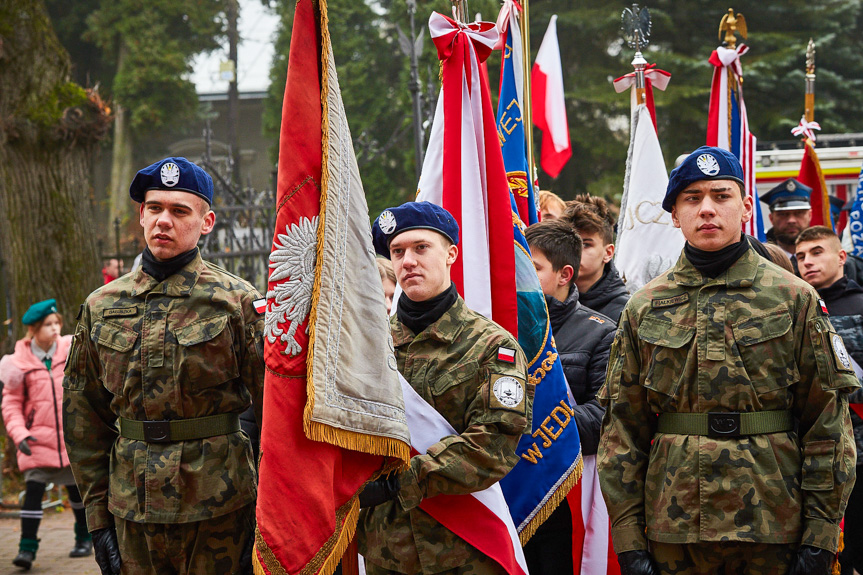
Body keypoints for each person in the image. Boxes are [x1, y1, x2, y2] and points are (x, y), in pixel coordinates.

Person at [598, 146, 859, 575]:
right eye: (692, 198)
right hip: (673, 527)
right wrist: (628, 539)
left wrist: (820, 537)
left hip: (775, 524)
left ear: (745, 208)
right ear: (673, 214)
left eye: (721, 196)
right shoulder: (644, 307)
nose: (707, 209)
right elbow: (621, 430)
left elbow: (828, 424)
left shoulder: (794, 298)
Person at [63, 157, 265, 575]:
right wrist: (96, 520)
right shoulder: (101, 307)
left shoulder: (237, 302)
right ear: (141, 215)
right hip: (132, 511)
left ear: (206, 222)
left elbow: (274, 415)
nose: (163, 221)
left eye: (179, 211)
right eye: (154, 208)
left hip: (220, 508)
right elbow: (84, 417)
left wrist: (267, 518)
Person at [358, 201, 532, 575]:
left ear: (451, 253)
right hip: (384, 549)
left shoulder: (490, 346)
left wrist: (399, 482)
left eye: (421, 248)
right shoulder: (370, 344)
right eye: (398, 251)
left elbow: (494, 445)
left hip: (462, 547)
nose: (408, 261)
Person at [522, 219, 615, 574]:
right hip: (506, 488)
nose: (522, 277)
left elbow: (606, 415)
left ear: (564, 275)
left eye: (533, 268)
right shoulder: (495, 328)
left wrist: (532, 421)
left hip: (565, 497)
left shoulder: (602, 334)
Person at [0, 300, 92, 570]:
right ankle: (27, 548)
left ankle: (83, 539)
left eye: (57, 324)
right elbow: (11, 404)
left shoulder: (70, 350)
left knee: (77, 492)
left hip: (70, 437)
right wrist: (19, 435)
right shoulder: (18, 362)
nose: (54, 329)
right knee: (33, 491)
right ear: (34, 330)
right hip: (38, 440)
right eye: (48, 325)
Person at [795, 225, 863, 575]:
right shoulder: (793, 309)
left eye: (817, 252)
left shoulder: (860, 306)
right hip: (812, 454)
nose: (808, 262)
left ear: (841, 256)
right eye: (801, 256)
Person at [561, 194, 630, 321]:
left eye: (586, 244)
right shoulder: (550, 304)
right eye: (569, 242)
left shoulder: (626, 313)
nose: (575, 251)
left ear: (608, 253)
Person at [762, 178, 813, 259]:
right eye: (783, 214)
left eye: (798, 213)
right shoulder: (761, 256)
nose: (791, 220)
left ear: (810, 215)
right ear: (771, 218)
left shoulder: (825, 257)